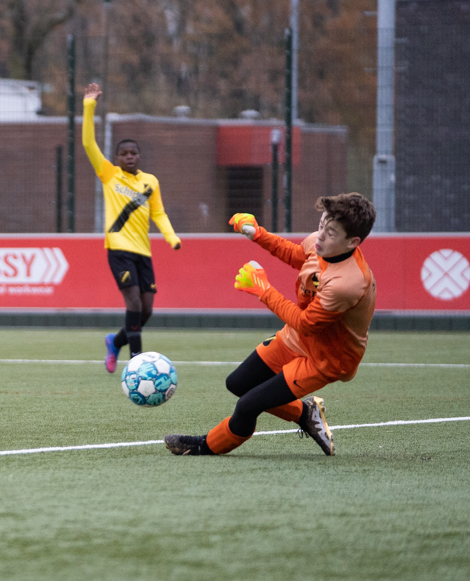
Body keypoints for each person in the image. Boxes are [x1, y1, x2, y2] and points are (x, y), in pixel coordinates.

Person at [164, 193, 377, 457]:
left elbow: (306, 323)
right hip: (298, 337)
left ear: (353, 242)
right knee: (238, 384)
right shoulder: (320, 242)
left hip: (327, 357)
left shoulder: (347, 283)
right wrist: (257, 234)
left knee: (247, 405)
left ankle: (203, 446)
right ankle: (305, 413)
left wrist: (263, 290)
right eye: (322, 224)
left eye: (331, 233)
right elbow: (297, 254)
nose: (320, 235)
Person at [82, 83, 182, 373]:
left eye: (133, 153)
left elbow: (159, 212)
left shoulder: (150, 182)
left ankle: (115, 341)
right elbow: (89, 144)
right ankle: (137, 362)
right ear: (116, 158)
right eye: (123, 153)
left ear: (139, 156)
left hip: (143, 252)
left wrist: (171, 236)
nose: (128, 156)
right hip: (118, 249)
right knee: (134, 302)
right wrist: (89, 107)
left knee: (147, 308)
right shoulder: (109, 175)